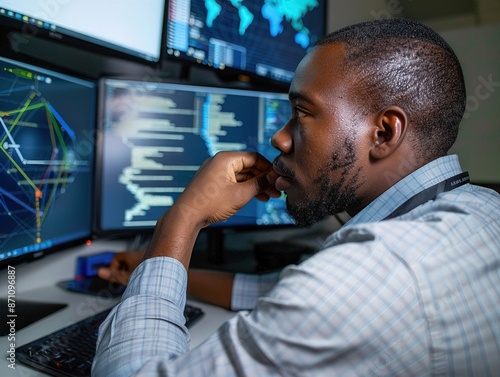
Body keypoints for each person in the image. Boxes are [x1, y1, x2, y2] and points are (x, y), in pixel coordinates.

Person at [92, 18, 500, 376]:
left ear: (383, 133)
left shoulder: (371, 274)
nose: (279, 137)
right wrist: (156, 267)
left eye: (302, 112)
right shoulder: (481, 207)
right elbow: (273, 294)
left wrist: (181, 220)